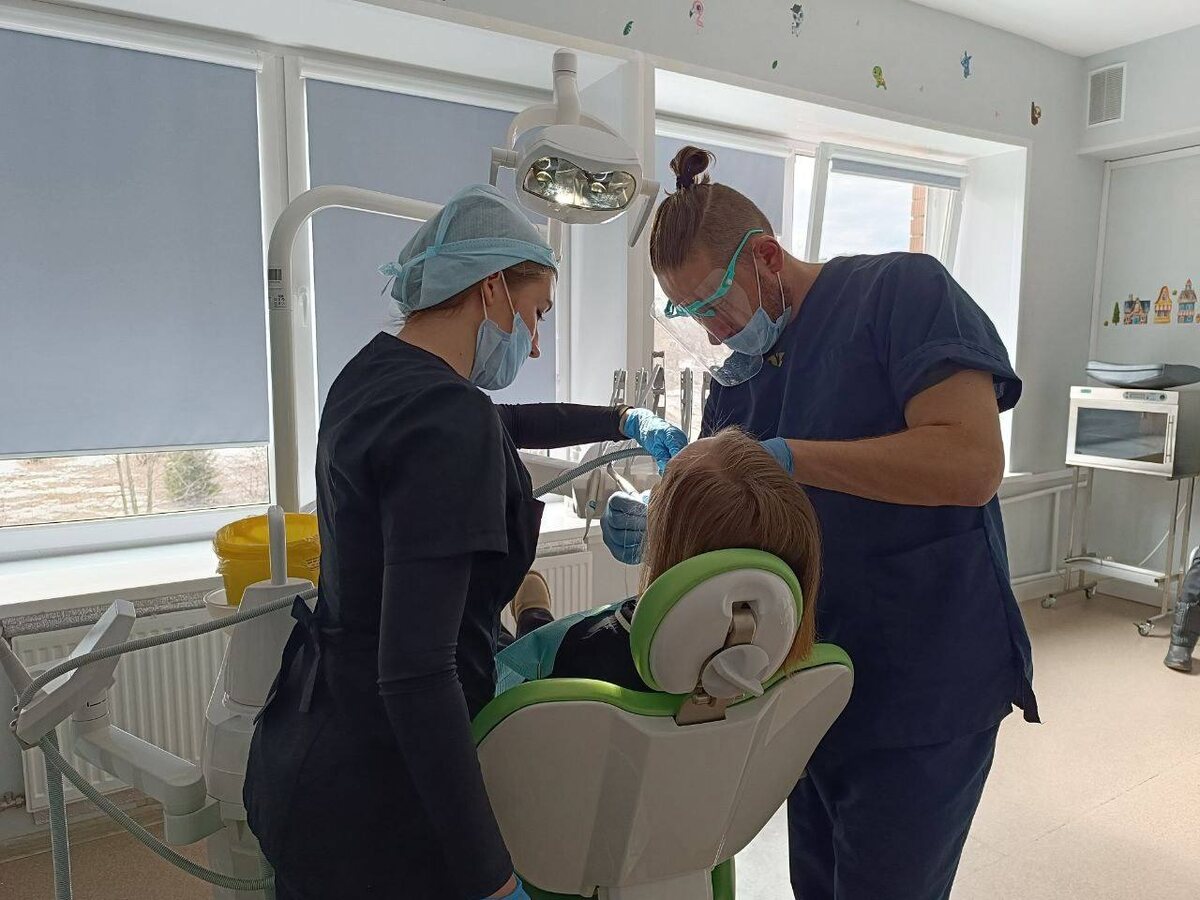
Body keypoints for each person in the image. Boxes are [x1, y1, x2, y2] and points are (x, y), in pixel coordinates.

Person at [602, 146, 1038, 900]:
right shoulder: (738, 383)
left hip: (922, 681)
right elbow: (743, 541)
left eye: (715, 307)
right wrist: (668, 525)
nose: (713, 335)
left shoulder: (901, 293)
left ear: (766, 257)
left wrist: (793, 458)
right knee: (818, 884)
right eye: (692, 317)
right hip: (803, 684)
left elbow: (971, 465)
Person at [243, 184, 687, 900]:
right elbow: (417, 676)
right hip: (383, 797)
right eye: (536, 313)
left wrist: (621, 420)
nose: (535, 341)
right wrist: (492, 879)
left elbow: (507, 422)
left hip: (313, 739)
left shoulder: (373, 375)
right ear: (491, 289)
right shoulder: (448, 421)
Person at [497, 427, 821, 691]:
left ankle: (532, 611)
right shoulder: (785, 673)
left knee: (509, 639)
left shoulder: (584, 646)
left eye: (659, 488)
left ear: (664, 539)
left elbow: (511, 697)